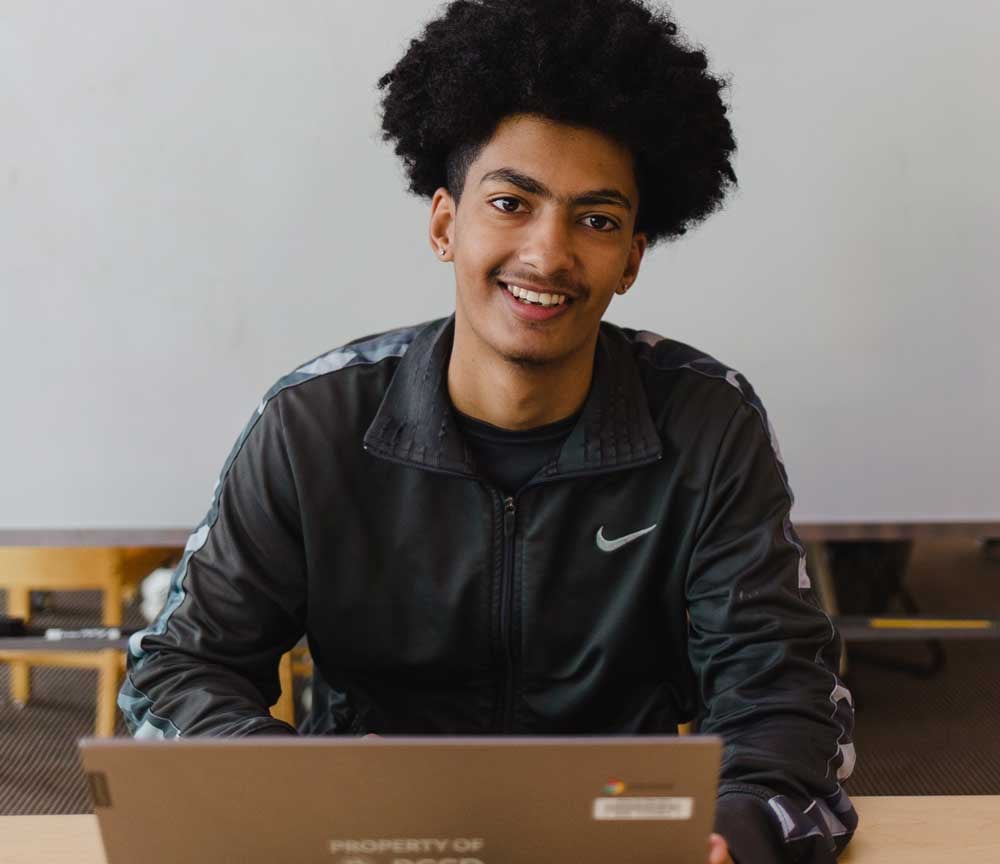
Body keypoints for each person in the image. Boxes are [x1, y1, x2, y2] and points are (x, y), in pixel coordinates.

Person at [119, 1, 857, 861]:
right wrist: (299, 788)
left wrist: (731, 830)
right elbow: (181, 671)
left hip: (618, 840)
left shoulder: (705, 424)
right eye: (512, 202)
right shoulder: (311, 424)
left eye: (596, 219)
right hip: (368, 842)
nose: (548, 254)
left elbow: (782, 693)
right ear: (445, 224)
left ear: (631, 257)